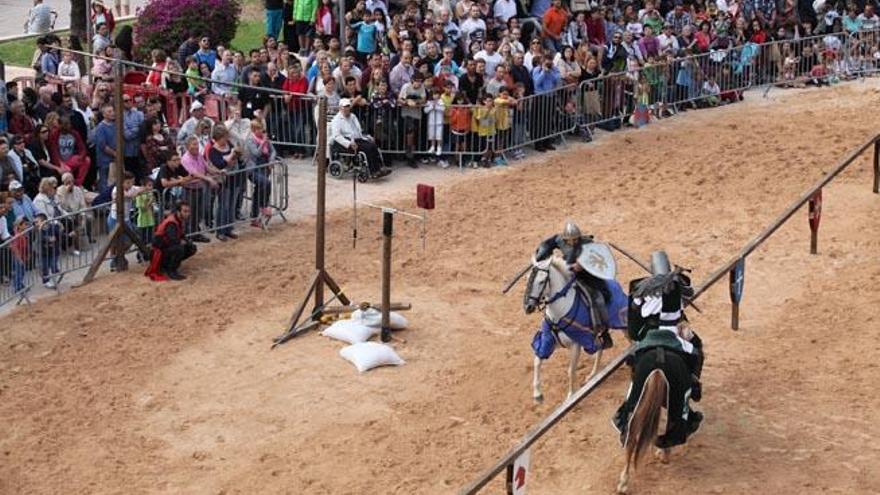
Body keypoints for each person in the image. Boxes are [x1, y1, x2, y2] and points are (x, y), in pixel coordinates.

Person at [614, 250, 704, 447]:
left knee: (634, 360)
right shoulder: (679, 284)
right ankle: (693, 385)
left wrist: (638, 337)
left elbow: (634, 322)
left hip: (649, 335)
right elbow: (690, 292)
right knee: (696, 350)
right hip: (674, 334)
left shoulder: (641, 288)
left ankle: (626, 413)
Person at [329, 98, 391, 179]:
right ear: (340, 108)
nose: (346, 108)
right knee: (367, 148)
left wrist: (367, 136)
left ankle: (379, 167)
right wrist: (348, 143)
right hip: (346, 142)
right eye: (344, 107)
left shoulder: (353, 116)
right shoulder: (336, 120)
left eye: (348, 106)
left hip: (357, 138)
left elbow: (358, 130)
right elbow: (336, 136)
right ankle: (373, 171)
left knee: (373, 145)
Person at [145, 200, 197, 281]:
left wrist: (187, 241)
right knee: (179, 248)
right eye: (185, 211)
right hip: (158, 251)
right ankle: (171, 270)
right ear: (178, 211)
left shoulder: (179, 220)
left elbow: (181, 235)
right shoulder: (171, 222)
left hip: (165, 247)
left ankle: (169, 265)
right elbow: (172, 240)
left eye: (188, 211)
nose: (188, 214)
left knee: (191, 247)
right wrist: (182, 242)